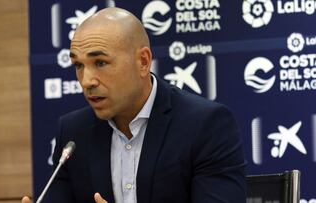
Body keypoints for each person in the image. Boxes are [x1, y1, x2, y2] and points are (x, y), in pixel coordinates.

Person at [22, 7, 246, 203]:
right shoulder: (73, 133)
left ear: (143, 62)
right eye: (78, 65)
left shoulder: (205, 126)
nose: (87, 80)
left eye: (100, 62)